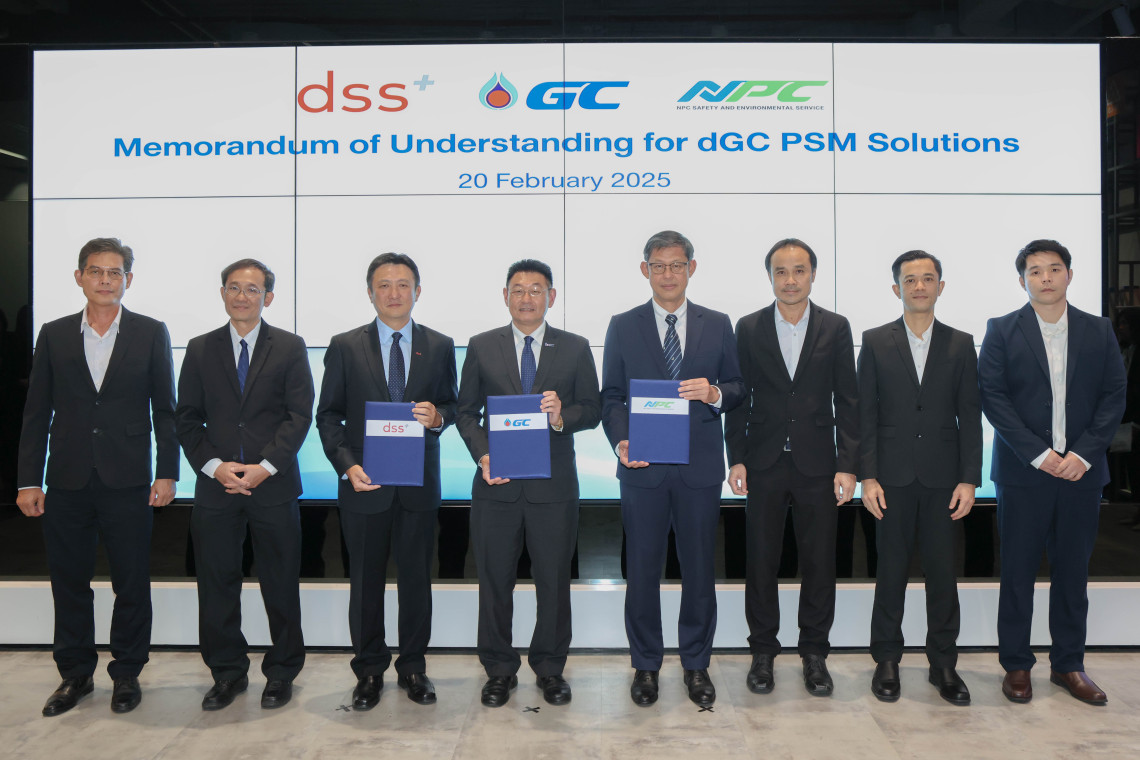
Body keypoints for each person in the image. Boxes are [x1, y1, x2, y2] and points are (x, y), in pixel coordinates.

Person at [17, 237, 178, 716]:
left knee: (131, 582)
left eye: (114, 272)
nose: (105, 280)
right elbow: (36, 411)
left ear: (128, 279)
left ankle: (127, 673)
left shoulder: (151, 332)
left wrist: (168, 472)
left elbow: (165, 410)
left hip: (129, 479)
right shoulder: (54, 333)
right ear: (79, 277)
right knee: (69, 581)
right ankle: (75, 674)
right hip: (66, 479)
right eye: (96, 271)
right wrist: (28, 479)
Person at [979, 239, 1126, 706]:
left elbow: (1114, 395)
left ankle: (1069, 664)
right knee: (1017, 573)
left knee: (1073, 573)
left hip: (1082, 472)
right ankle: (1016, 665)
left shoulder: (1098, 330)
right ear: (1022, 279)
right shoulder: (1001, 329)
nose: (1045, 277)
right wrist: (1039, 454)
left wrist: (1083, 454)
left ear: (1069, 274)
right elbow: (993, 397)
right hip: (1024, 472)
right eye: (1035, 270)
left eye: (1054, 268)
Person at [601, 230, 744, 707]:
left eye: (677, 265)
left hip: (699, 470)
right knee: (642, 572)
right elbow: (611, 396)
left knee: (700, 571)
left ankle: (696, 664)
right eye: (658, 265)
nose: (668, 274)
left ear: (691, 269)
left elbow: (738, 387)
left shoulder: (717, 323)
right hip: (642, 468)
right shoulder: (623, 325)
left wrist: (715, 393)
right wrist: (621, 439)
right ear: (645, 270)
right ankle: (645, 665)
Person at [455, 258, 600, 708]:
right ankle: (499, 670)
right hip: (495, 484)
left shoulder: (575, 347)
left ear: (551, 297)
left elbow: (592, 409)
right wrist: (483, 454)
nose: (526, 298)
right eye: (517, 290)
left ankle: (550, 668)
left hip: (553, 488)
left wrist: (560, 417)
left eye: (536, 290)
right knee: (494, 581)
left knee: (553, 581)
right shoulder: (482, 346)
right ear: (505, 296)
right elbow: (465, 413)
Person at [316, 252, 457, 708]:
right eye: (384, 285)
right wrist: (346, 465)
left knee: (416, 581)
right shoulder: (344, 345)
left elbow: (452, 405)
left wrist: (439, 417)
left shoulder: (440, 345)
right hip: (365, 482)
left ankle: (413, 667)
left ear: (418, 291)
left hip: (418, 484)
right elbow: (328, 415)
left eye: (403, 284)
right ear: (370, 292)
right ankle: (369, 670)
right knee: (365, 583)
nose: (393, 293)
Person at [175, 258, 314, 711]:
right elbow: (187, 418)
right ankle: (227, 673)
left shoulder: (290, 346)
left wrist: (264, 466)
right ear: (222, 293)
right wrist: (215, 466)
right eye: (234, 287)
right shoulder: (200, 348)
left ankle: (281, 672)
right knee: (217, 584)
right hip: (215, 487)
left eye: (252, 289)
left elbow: (299, 415)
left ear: (267, 297)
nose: (242, 296)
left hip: (272, 486)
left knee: (280, 583)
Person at [724, 238, 858, 698]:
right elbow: (738, 398)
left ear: (813, 275)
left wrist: (848, 464)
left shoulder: (836, 327)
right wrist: (736, 456)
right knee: (761, 560)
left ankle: (814, 653)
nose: (790, 280)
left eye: (799, 270)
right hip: (762, 462)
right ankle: (762, 651)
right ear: (770, 277)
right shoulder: (749, 327)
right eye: (781, 271)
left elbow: (849, 399)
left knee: (819, 562)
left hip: (819, 463)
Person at [856, 250, 982, 705]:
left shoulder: (961, 343)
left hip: (945, 479)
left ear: (940, 287)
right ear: (897, 289)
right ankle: (887, 660)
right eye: (910, 280)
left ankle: (943, 663)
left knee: (943, 574)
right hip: (889, 479)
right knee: (889, 572)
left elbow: (970, 415)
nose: (919, 286)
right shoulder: (874, 341)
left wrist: (969, 478)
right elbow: (865, 415)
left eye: (928, 278)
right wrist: (867, 476)